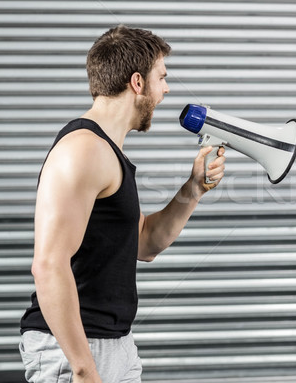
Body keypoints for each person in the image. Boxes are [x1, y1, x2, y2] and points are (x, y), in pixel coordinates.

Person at [19, 25, 225, 383]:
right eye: (162, 77)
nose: (167, 89)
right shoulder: (84, 150)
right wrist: (83, 370)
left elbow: (145, 243)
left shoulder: (108, 152)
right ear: (137, 83)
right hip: (76, 348)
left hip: (115, 342)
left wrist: (194, 188)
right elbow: (49, 265)